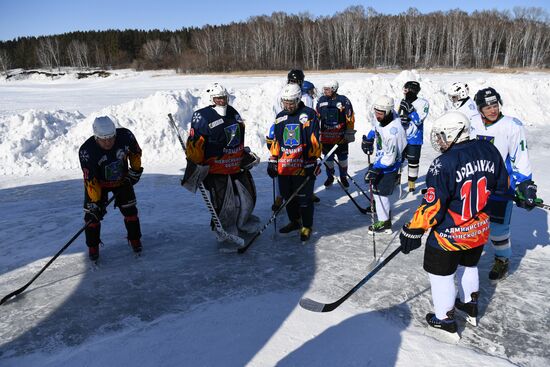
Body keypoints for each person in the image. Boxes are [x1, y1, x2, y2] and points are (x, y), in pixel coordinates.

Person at [399, 111, 509, 335]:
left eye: (442, 136)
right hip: (478, 230)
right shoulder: (489, 149)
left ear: (455, 134)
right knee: (468, 265)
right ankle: (469, 304)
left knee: (441, 275)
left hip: (450, 236)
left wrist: (414, 229)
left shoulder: (443, 163)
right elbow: (501, 185)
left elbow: (434, 207)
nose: (439, 141)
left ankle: (444, 319)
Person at [471, 87, 538, 282]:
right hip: (474, 186)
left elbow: (520, 156)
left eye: (495, 104)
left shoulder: (512, 126)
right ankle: (469, 255)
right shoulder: (472, 123)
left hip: (501, 187)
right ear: (479, 109)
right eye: (487, 106)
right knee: (471, 224)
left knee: (498, 228)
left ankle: (502, 259)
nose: (492, 109)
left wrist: (525, 184)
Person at [182, 83, 260, 247]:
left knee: (248, 197)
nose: (222, 101)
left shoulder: (233, 112)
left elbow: (238, 137)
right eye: (218, 98)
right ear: (211, 99)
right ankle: (224, 228)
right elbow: (196, 144)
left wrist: (244, 153)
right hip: (217, 169)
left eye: (224, 98)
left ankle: (243, 221)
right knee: (225, 203)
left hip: (236, 165)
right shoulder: (201, 116)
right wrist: (195, 161)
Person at [78, 116, 144, 262]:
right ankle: (93, 247)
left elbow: (135, 153)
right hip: (98, 184)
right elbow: (91, 180)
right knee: (92, 218)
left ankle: (135, 240)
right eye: (103, 139)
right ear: (96, 137)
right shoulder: (87, 151)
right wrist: (95, 203)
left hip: (122, 180)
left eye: (111, 138)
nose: (108, 142)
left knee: (130, 211)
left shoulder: (126, 136)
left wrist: (135, 170)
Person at [267, 83, 321, 241]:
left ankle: (307, 225)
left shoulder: (309, 115)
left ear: (298, 99)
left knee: (304, 197)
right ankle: (295, 221)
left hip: (303, 166)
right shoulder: (280, 117)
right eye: (285, 102)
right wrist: (272, 160)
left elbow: (314, 140)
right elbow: (276, 141)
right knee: (287, 195)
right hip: (285, 166)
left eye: (291, 102)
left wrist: (311, 161)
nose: (288, 105)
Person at [362, 95, 407, 233]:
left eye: (380, 113)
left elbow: (390, 158)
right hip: (382, 160)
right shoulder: (387, 116)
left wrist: (375, 168)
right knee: (376, 191)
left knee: (381, 193)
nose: (377, 115)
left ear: (387, 112)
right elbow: (376, 127)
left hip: (389, 165)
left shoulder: (393, 132)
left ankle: (384, 221)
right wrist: (369, 138)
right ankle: (383, 212)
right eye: (376, 112)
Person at [316, 80, 356, 188]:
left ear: (334, 89)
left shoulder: (344, 100)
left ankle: (343, 177)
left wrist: (349, 133)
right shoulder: (321, 100)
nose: (325, 91)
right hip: (326, 138)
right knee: (328, 160)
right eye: (324, 89)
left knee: (343, 160)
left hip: (340, 138)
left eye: (327, 89)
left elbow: (350, 117)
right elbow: (316, 118)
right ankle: (330, 177)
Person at [398, 81, 430, 192]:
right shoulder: (403, 101)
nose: (404, 92)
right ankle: (396, 180)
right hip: (402, 137)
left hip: (414, 138)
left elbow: (418, 120)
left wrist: (410, 110)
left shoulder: (423, 103)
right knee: (398, 160)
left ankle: (411, 183)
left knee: (413, 161)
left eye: (406, 90)